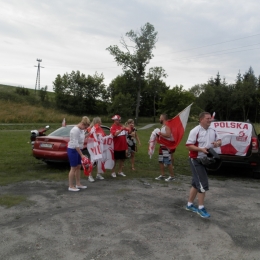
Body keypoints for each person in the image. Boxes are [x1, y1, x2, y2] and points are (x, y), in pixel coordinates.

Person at [185, 112, 221, 218]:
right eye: (207, 118)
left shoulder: (213, 130)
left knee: (196, 183)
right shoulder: (195, 131)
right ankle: (201, 208)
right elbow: (188, 146)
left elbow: (219, 141)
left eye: (210, 118)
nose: (210, 120)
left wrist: (217, 143)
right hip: (195, 159)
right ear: (201, 119)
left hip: (206, 160)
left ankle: (189, 205)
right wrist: (200, 149)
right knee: (203, 184)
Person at [67, 116, 90, 192]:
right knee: (73, 168)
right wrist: (81, 155)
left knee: (78, 166)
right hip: (73, 149)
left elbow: (82, 138)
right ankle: (71, 186)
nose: (85, 129)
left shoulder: (81, 130)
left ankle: (78, 183)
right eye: (85, 127)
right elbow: (76, 144)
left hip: (78, 149)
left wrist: (89, 134)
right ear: (82, 124)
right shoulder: (75, 130)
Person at [155, 114, 176, 181]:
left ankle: (172, 176)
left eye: (160, 118)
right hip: (162, 146)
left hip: (166, 146)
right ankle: (162, 175)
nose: (159, 119)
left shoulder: (167, 126)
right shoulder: (163, 126)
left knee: (167, 161)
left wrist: (160, 134)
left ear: (163, 119)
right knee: (161, 161)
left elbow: (168, 135)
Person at [86, 117, 106, 182]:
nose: (101, 123)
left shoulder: (100, 128)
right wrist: (96, 135)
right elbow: (89, 136)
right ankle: (90, 175)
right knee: (93, 160)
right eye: (100, 122)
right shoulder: (91, 128)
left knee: (100, 160)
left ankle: (98, 174)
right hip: (93, 147)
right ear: (97, 122)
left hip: (100, 146)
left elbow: (103, 135)